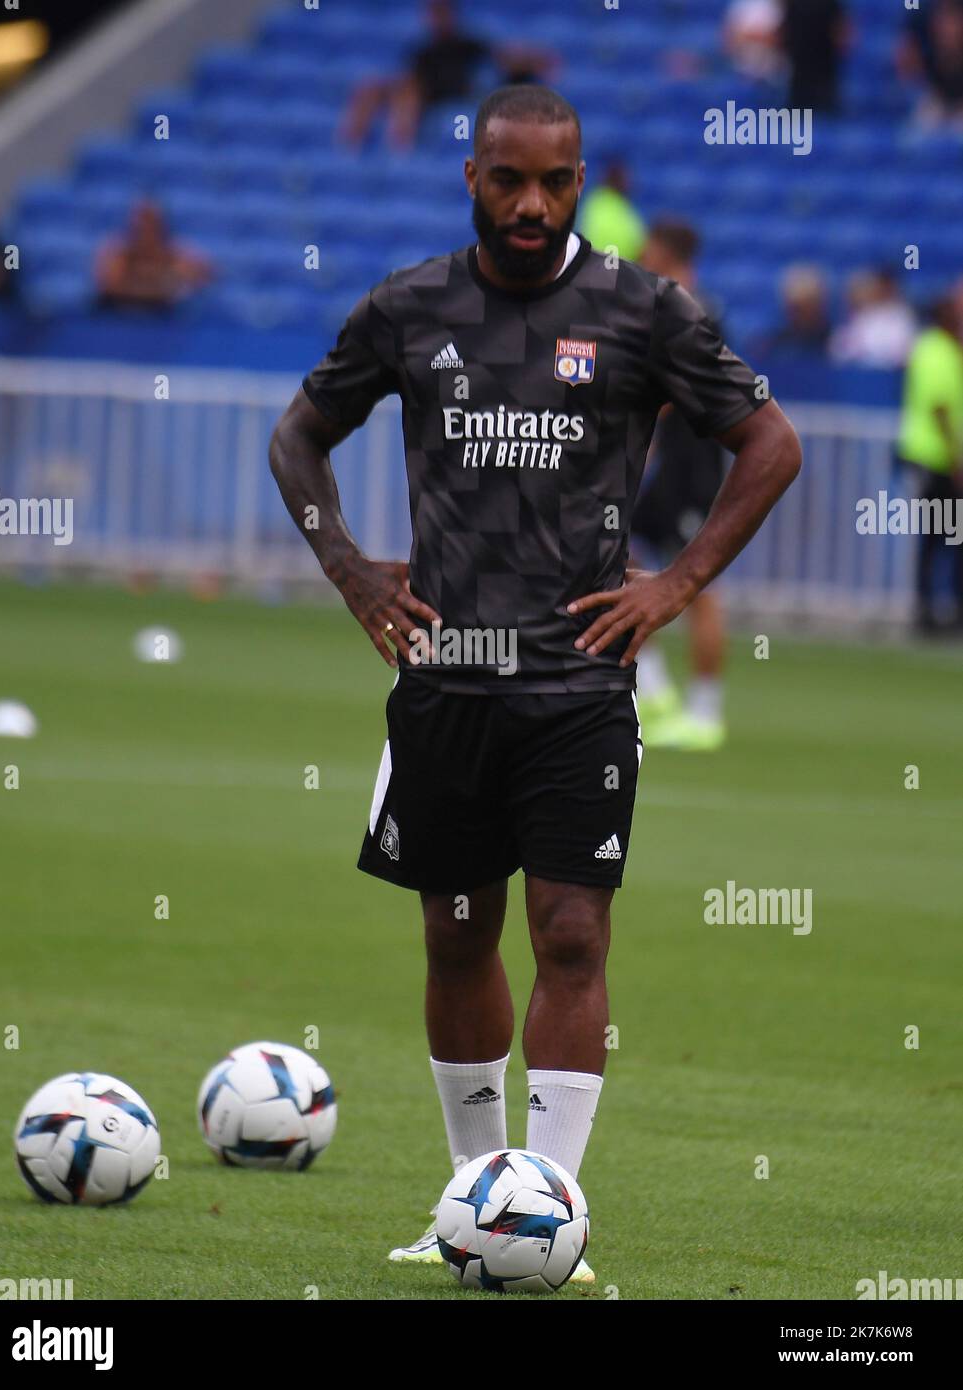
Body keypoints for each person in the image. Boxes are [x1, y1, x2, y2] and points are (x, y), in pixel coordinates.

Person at [269, 85, 801, 1284]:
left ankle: (553, 1214)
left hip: (577, 687)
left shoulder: (640, 308)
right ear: (471, 177)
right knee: (457, 936)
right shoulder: (409, 308)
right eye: (506, 178)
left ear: (578, 180)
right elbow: (296, 437)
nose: (528, 201)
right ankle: (468, 1201)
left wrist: (673, 586)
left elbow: (769, 444)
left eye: (552, 181)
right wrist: (350, 572)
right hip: (445, 682)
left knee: (569, 933)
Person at [630, 220, 732, 751]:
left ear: (666, 252)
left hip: (696, 474)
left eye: (648, 248)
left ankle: (706, 712)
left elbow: (684, 389)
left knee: (701, 591)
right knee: (616, 554)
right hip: (672, 472)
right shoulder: (672, 305)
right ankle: (651, 685)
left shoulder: (695, 312)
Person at [339, 0, 556, 152]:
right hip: (424, 94)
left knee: (409, 94)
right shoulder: (422, 50)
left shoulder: (467, 44)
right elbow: (410, 75)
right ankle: (349, 146)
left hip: (452, 94)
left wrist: (535, 61)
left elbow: (501, 57)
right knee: (373, 88)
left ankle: (399, 149)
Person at [895, 286, 963, 632]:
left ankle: (933, 608)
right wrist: (956, 460)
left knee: (941, 536)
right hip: (932, 457)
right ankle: (930, 611)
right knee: (942, 536)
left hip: (930, 456)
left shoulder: (937, 349)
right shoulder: (937, 351)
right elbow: (939, 408)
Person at [94, 200, 212, 312]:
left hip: (163, 318)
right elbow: (110, 287)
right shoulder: (119, 254)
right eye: (141, 223)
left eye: (150, 223)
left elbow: (205, 277)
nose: (145, 229)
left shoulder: (176, 256)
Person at [829, 268, 916, 370]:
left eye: (887, 287)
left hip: (890, 377)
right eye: (880, 287)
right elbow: (839, 352)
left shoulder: (903, 317)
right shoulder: (864, 315)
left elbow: (905, 354)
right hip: (860, 375)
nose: (883, 291)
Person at [898, 0, 963, 132]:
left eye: (952, 20)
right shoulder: (927, 50)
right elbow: (907, 79)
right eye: (941, 20)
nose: (945, 27)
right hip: (938, 106)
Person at [780, 0, 849, 114]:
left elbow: (843, 39)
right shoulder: (791, 5)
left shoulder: (830, 4)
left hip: (824, 80)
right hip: (799, 79)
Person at [578, 157, 646, 264]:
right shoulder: (622, 208)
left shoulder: (593, 201)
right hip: (619, 268)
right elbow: (638, 246)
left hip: (591, 266)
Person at [760, 263, 831, 359]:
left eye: (807, 306)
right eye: (796, 308)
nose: (800, 315)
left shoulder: (835, 343)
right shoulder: (776, 345)